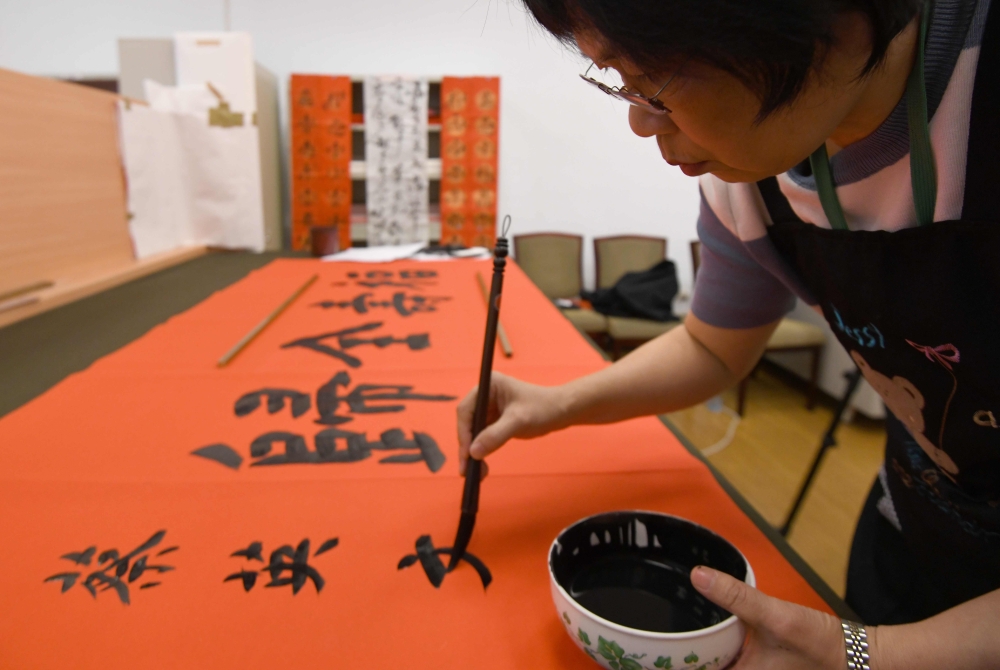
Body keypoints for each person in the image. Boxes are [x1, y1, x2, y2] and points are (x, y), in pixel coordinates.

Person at [456, 0, 1000, 667]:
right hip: (921, 526)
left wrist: (876, 656)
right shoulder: (751, 182)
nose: (637, 120)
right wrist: (555, 403)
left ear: (830, 26)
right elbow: (713, 345)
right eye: (617, 81)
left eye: (651, 86)